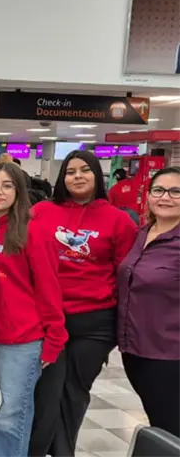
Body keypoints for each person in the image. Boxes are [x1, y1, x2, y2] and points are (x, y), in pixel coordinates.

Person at [29, 150, 137, 457]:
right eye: (70, 171)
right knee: (48, 392)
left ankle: (62, 452)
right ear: (62, 178)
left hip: (95, 322)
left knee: (74, 392)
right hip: (48, 319)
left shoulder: (118, 220)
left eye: (84, 170)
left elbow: (126, 275)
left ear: (96, 176)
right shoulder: (41, 212)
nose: (77, 176)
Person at [0, 163, 67, 457]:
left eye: (7, 185)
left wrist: (54, 338)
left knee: (12, 413)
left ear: (19, 191)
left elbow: (49, 288)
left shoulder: (33, 230)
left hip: (22, 338)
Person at [117, 166, 180, 438]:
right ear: (148, 195)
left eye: (176, 191)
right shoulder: (142, 233)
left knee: (170, 428)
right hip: (134, 350)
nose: (165, 197)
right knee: (159, 421)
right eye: (159, 190)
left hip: (170, 354)